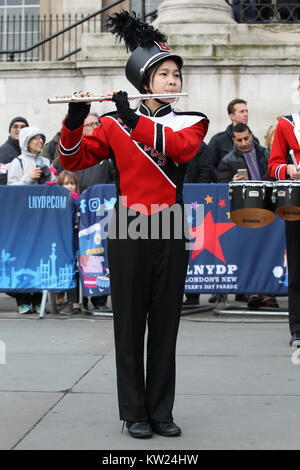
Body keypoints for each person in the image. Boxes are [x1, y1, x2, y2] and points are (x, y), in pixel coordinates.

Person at [58, 11, 209, 439]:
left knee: (165, 323)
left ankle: (161, 411)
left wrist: (132, 119)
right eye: (164, 74)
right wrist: (74, 120)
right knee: (128, 323)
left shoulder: (192, 120)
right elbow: (72, 159)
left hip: (171, 226)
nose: (174, 81)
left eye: (176, 74)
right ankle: (134, 412)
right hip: (127, 227)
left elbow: (179, 149)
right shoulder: (112, 123)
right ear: (145, 82)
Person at [217, 122, 279, 309]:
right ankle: (253, 292)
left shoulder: (265, 153)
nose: (243, 143)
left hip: (267, 208)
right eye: (239, 140)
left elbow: (275, 175)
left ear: (251, 136)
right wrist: (231, 181)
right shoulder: (228, 160)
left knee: (268, 252)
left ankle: (268, 294)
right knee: (250, 252)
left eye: (246, 138)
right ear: (233, 140)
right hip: (244, 211)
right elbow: (220, 183)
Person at [7, 126, 55, 314]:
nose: (40, 142)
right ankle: (23, 300)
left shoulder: (45, 161)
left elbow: (53, 185)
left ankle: (37, 300)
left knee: (41, 257)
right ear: (26, 141)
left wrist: (50, 177)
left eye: (42, 139)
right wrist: (28, 177)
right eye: (36, 139)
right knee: (24, 257)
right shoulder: (17, 163)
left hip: (43, 218)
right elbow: (11, 191)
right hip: (24, 220)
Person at [74, 112, 114, 314]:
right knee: (77, 255)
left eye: (97, 123)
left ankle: (99, 298)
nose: (94, 127)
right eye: (89, 124)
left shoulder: (108, 153)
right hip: (76, 214)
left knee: (98, 256)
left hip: (100, 216)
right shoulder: (75, 153)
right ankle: (74, 300)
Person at [268, 107, 300, 347]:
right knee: (297, 266)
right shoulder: (287, 124)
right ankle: (298, 328)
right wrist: (288, 169)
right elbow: (274, 165)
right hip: (297, 201)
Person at [183, 142, 215, 306]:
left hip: (193, 203)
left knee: (193, 248)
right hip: (168, 200)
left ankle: (192, 295)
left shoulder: (198, 145)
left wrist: (196, 192)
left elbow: (206, 170)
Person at [48, 170, 81, 315]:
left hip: (75, 241)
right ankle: (59, 298)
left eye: (72, 183)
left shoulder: (78, 199)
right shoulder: (56, 200)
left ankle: (73, 302)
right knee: (59, 269)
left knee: (74, 270)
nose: (69, 186)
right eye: (65, 184)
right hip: (60, 241)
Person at [206, 98, 260, 172]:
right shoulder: (218, 140)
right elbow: (209, 166)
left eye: (246, 111)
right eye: (241, 112)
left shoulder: (254, 141)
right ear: (232, 116)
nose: (246, 114)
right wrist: (223, 179)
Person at [0, 116, 29, 185]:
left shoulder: (25, 150)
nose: (19, 130)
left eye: (22, 127)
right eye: (15, 127)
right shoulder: (6, 151)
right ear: (10, 131)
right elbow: (3, 179)